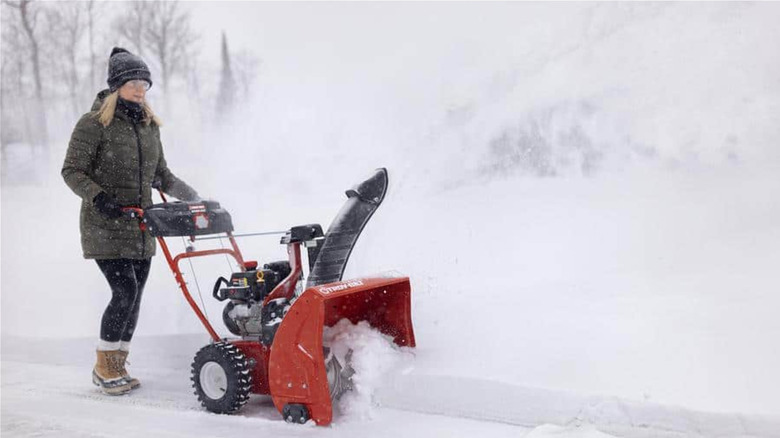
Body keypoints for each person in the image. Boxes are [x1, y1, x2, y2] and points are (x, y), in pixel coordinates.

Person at [62, 47, 200, 395]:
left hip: (141, 227)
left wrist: (195, 197)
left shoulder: (149, 125)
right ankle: (103, 366)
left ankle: (117, 365)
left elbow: (162, 176)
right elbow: (71, 171)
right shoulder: (94, 124)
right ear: (117, 86)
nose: (140, 90)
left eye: (144, 83)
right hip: (105, 224)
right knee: (124, 290)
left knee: (135, 296)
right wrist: (100, 198)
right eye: (133, 83)